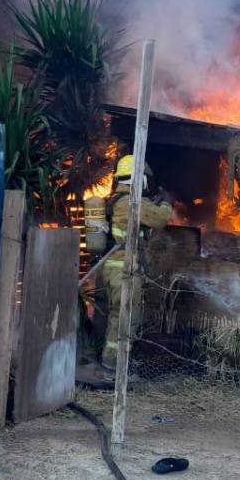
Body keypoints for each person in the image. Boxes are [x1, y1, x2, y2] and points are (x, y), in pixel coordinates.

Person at [80, 152, 171, 388]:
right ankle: (113, 370)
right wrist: (166, 202)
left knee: (110, 315)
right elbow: (160, 218)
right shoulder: (132, 202)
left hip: (110, 269)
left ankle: (105, 360)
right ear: (137, 179)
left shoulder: (114, 201)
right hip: (124, 272)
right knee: (124, 318)